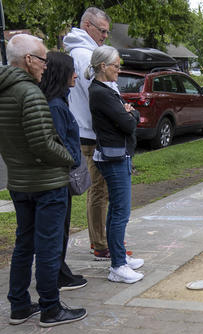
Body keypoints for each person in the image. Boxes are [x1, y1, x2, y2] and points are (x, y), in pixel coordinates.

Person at [0, 34, 87, 327]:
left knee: (24, 244)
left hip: (18, 182)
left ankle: (19, 306)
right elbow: (43, 144)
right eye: (42, 59)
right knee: (49, 247)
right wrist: (70, 159)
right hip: (47, 184)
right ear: (28, 60)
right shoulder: (29, 94)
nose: (45, 66)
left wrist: (17, 158)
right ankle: (51, 308)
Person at [64, 7, 120, 261]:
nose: (106, 36)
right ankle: (99, 243)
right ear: (87, 26)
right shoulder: (86, 56)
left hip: (87, 130)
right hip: (91, 133)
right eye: (102, 30)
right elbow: (100, 95)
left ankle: (101, 239)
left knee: (100, 189)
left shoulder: (78, 52)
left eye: (108, 31)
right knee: (99, 190)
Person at [88, 46, 144, 283]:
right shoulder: (100, 92)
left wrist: (130, 113)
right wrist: (129, 114)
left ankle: (119, 257)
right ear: (103, 66)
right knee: (121, 211)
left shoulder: (109, 89)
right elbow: (129, 122)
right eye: (115, 66)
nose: (119, 71)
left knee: (116, 211)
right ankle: (118, 266)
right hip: (114, 157)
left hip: (118, 154)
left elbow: (132, 115)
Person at [39, 51, 88, 292]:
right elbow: (58, 142)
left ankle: (60, 270)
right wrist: (72, 159)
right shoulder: (56, 106)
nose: (76, 75)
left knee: (60, 229)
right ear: (62, 74)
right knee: (57, 230)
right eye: (72, 71)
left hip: (60, 175)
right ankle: (56, 275)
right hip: (58, 177)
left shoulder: (59, 100)